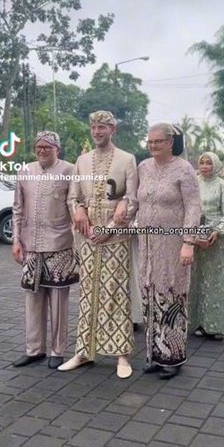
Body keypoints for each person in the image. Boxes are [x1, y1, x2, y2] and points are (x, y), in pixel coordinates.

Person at [59, 111, 138, 379]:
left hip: (116, 237)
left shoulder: (127, 159)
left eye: (102, 127)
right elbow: (73, 197)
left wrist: (112, 225)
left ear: (112, 129)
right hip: (89, 236)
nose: (97, 132)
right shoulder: (81, 161)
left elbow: (133, 199)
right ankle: (84, 351)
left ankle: (121, 354)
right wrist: (78, 211)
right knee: (88, 293)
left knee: (116, 292)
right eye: (94, 127)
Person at [137, 123, 201, 379]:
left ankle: (173, 356)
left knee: (171, 296)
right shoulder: (143, 167)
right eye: (150, 142)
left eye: (158, 142)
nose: (153, 146)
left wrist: (188, 242)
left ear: (170, 142)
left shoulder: (184, 169)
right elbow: (135, 201)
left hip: (173, 245)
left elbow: (194, 206)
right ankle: (154, 354)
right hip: (147, 245)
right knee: (150, 294)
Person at [11, 131, 78, 369]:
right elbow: (18, 208)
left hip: (59, 244)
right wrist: (16, 240)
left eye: (47, 147)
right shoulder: (25, 170)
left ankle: (58, 350)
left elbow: (75, 207)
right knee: (32, 298)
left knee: (59, 300)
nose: (42, 150)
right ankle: (34, 349)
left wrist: (78, 242)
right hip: (30, 245)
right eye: (38, 146)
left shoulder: (70, 170)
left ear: (57, 149)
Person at [188, 152, 224, 341]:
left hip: (214, 237)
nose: (205, 166)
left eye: (209, 163)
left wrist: (218, 231)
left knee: (214, 279)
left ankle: (214, 324)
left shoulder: (223, 186)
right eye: (202, 162)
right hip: (194, 235)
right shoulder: (193, 183)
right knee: (194, 277)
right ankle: (196, 321)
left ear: (215, 165)